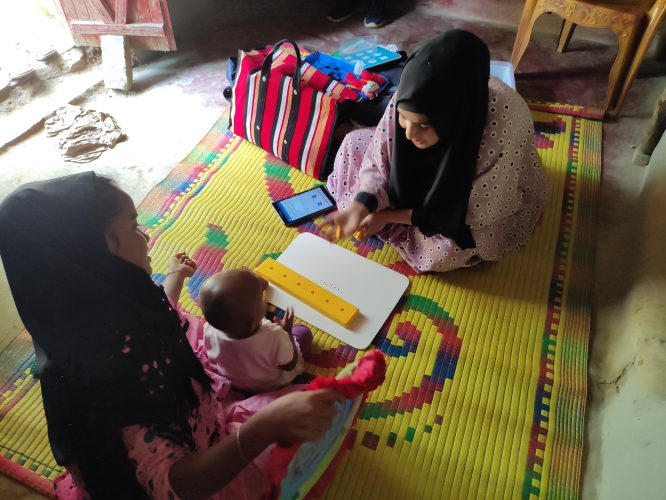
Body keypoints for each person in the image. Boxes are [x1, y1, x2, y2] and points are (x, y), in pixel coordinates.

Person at [0, 172, 343, 499]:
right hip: (200, 475)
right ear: (102, 250)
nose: (147, 237)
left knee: (309, 408)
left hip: (200, 422)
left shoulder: (102, 309)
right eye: (134, 226)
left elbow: (170, 316)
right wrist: (262, 429)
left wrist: (177, 279)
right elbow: (175, 487)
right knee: (301, 434)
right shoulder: (110, 383)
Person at [325, 29, 550, 273]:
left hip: (462, 200)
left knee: (448, 249)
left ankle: (396, 218)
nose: (409, 134)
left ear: (454, 119)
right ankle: (386, 212)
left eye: (424, 124)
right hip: (421, 183)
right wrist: (362, 206)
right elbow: (379, 155)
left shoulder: (503, 125)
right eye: (404, 118)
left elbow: (471, 211)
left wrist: (386, 217)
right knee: (353, 143)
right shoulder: (411, 92)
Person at [200, 268, 312, 393]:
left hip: (236, 380)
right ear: (252, 322)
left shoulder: (209, 329)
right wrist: (287, 332)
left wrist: (252, 284)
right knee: (303, 332)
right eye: (261, 298)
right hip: (269, 384)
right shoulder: (274, 336)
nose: (263, 300)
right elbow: (290, 365)